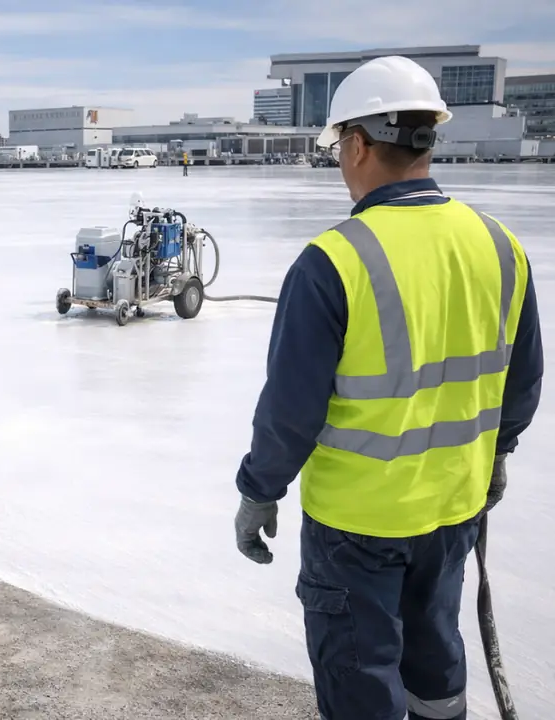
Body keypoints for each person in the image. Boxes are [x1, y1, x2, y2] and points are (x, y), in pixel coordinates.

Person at [231, 56, 543, 720]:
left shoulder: (334, 261)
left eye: (338, 149)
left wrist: (259, 490)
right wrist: (498, 455)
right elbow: (522, 382)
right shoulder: (500, 246)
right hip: (452, 509)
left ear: (357, 144)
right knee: (436, 668)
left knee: (361, 683)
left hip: (358, 526)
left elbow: (290, 410)